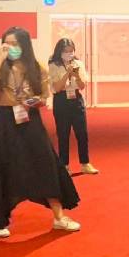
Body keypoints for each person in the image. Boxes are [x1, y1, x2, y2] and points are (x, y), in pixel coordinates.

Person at [0, 27, 80, 238]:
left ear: (24, 45)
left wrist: (33, 102)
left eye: (14, 44)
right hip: (4, 120)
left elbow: (44, 97)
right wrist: (0, 59)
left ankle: (59, 218)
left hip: (30, 120)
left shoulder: (37, 67)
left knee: (46, 164)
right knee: (2, 168)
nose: (10, 48)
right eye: (6, 43)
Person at [48, 38, 98, 175]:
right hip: (61, 100)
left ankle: (85, 164)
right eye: (66, 51)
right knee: (63, 134)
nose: (69, 54)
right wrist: (67, 74)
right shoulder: (53, 65)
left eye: (71, 51)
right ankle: (64, 165)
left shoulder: (78, 64)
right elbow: (56, 88)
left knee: (82, 134)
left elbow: (82, 86)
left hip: (76, 100)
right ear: (59, 51)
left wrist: (76, 75)